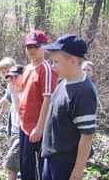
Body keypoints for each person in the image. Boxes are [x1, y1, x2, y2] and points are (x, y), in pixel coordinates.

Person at [41, 34, 98, 180]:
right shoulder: (63, 82)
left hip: (66, 162)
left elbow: (87, 136)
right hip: (52, 156)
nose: (53, 66)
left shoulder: (83, 92)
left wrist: (78, 171)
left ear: (73, 61)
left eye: (56, 61)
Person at [19, 30, 58, 180]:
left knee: (36, 170)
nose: (32, 50)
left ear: (44, 47)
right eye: (29, 47)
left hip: (36, 130)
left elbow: (48, 100)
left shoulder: (46, 69)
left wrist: (39, 128)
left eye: (36, 46)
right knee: (25, 167)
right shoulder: (27, 68)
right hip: (24, 126)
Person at [3, 64, 24, 180]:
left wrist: (15, 94)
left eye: (16, 77)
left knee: (10, 164)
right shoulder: (13, 92)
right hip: (14, 131)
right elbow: (6, 100)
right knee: (19, 165)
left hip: (23, 132)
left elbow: (21, 112)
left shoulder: (26, 93)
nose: (13, 80)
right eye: (11, 78)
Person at [0, 57, 16, 135]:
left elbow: (7, 98)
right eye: (3, 72)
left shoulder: (15, 82)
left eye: (8, 71)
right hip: (13, 111)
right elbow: (6, 100)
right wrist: (1, 113)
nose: (6, 74)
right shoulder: (9, 83)